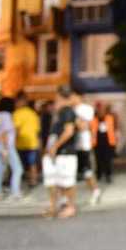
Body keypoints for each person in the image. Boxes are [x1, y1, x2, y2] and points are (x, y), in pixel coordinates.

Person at [43, 86, 79, 219]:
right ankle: (54, 206)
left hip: (66, 152)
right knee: (55, 180)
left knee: (67, 181)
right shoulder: (60, 112)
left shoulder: (68, 111)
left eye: (56, 95)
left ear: (60, 96)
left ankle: (70, 207)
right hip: (57, 152)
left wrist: (55, 146)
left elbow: (69, 131)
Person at [72, 93, 101, 205]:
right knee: (75, 172)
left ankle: (95, 191)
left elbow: (84, 126)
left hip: (83, 144)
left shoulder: (85, 109)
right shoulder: (73, 109)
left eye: (73, 96)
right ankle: (67, 198)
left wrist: (75, 121)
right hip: (74, 145)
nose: (72, 99)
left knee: (87, 171)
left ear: (78, 97)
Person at [0, 97, 23, 200]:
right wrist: (6, 148)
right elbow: (5, 132)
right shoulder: (7, 116)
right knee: (18, 169)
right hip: (7, 146)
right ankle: (15, 192)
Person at [13, 92, 41, 188]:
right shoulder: (33, 113)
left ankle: (18, 182)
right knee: (32, 163)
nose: (15, 103)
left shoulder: (17, 113)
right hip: (33, 142)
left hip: (21, 143)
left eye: (16, 101)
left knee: (20, 164)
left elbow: (16, 129)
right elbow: (37, 129)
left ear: (21, 101)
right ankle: (33, 180)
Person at [91, 102, 117, 183]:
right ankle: (98, 175)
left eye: (102, 110)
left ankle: (108, 175)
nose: (101, 112)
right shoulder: (93, 119)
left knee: (107, 160)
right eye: (99, 110)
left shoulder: (110, 117)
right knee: (98, 160)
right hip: (97, 143)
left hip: (108, 142)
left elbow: (115, 128)